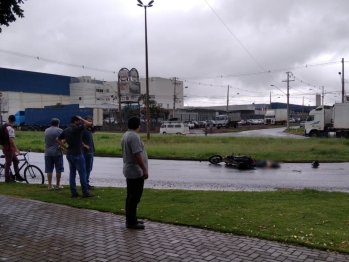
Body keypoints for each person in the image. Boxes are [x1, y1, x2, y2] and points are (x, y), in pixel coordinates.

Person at [56, 116, 95, 198]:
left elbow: (57, 139)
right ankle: (85, 192)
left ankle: (73, 192)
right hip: (78, 154)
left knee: (72, 174)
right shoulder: (77, 129)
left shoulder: (66, 130)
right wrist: (81, 118)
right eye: (78, 121)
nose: (80, 122)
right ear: (76, 121)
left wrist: (65, 147)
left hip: (69, 154)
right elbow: (89, 124)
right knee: (82, 173)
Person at [121, 116, 149, 229]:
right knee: (134, 197)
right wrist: (144, 169)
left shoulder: (126, 135)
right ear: (138, 125)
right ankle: (131, 222)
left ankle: (132, 218)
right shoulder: (133, 137)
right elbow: (137, 154)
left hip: (130, 169)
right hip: (135, 171)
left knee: (131, 196)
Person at [1, 115, 25, 182]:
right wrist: (16, 149)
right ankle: (7, 178)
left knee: (16, 161)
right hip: (8, 149)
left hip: (6, 148)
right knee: (8, 163)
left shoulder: (5, 126)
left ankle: (17, 175)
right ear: (14, 121)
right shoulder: (10, 128)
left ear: (8, 119)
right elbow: (11, 140)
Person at [44, 118, 64, 190]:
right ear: (58, 124)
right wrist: (61, 145)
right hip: (57, 152)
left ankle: (49, 185)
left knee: (49, 169)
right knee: (58, 169)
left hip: (47, 152)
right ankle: (57, 184)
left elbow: (45, 140)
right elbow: (66, 137)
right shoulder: (60, 130)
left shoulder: (46, 130)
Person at [82, 115, 95, 190]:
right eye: (89, 121)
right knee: (86, 168)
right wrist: (84, 145)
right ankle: (85, 184)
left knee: (89, 168)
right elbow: (78, 139)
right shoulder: (83, 130)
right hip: (86, 152)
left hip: (90, 151)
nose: (90, 123)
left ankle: (86, 182)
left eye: (91, 121)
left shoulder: (89, 130)